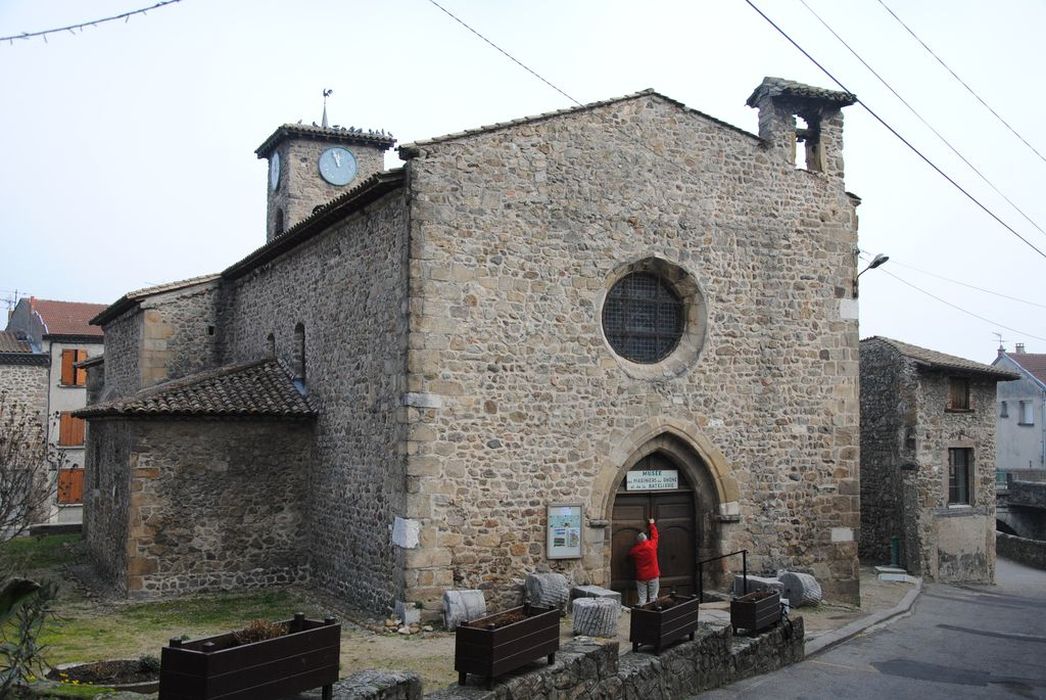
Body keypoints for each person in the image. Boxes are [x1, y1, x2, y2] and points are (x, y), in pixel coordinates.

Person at [628, 517, 660, 605]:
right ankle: (654, 613)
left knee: (642, 599)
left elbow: (630, 553)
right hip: (653, 574)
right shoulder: (652, 546)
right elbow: (655, 536)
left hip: (641, 576)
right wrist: (652, 524)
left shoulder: (635, 550)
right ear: (646, 538)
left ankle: (641, 613)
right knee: (653, 597)